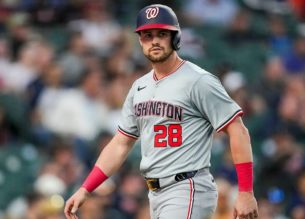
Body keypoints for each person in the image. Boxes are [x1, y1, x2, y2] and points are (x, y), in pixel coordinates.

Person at [64, 4, 258, 219]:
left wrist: (246, 192)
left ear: (175, 38)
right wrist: (86, 188)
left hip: (187, 187)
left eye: (161, 34)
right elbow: (120, 143)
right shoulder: (139, 87)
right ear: (140, 41)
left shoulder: (198, 80)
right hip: (155, 194)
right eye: (147, 35)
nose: (154, 40)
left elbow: (238, 130)